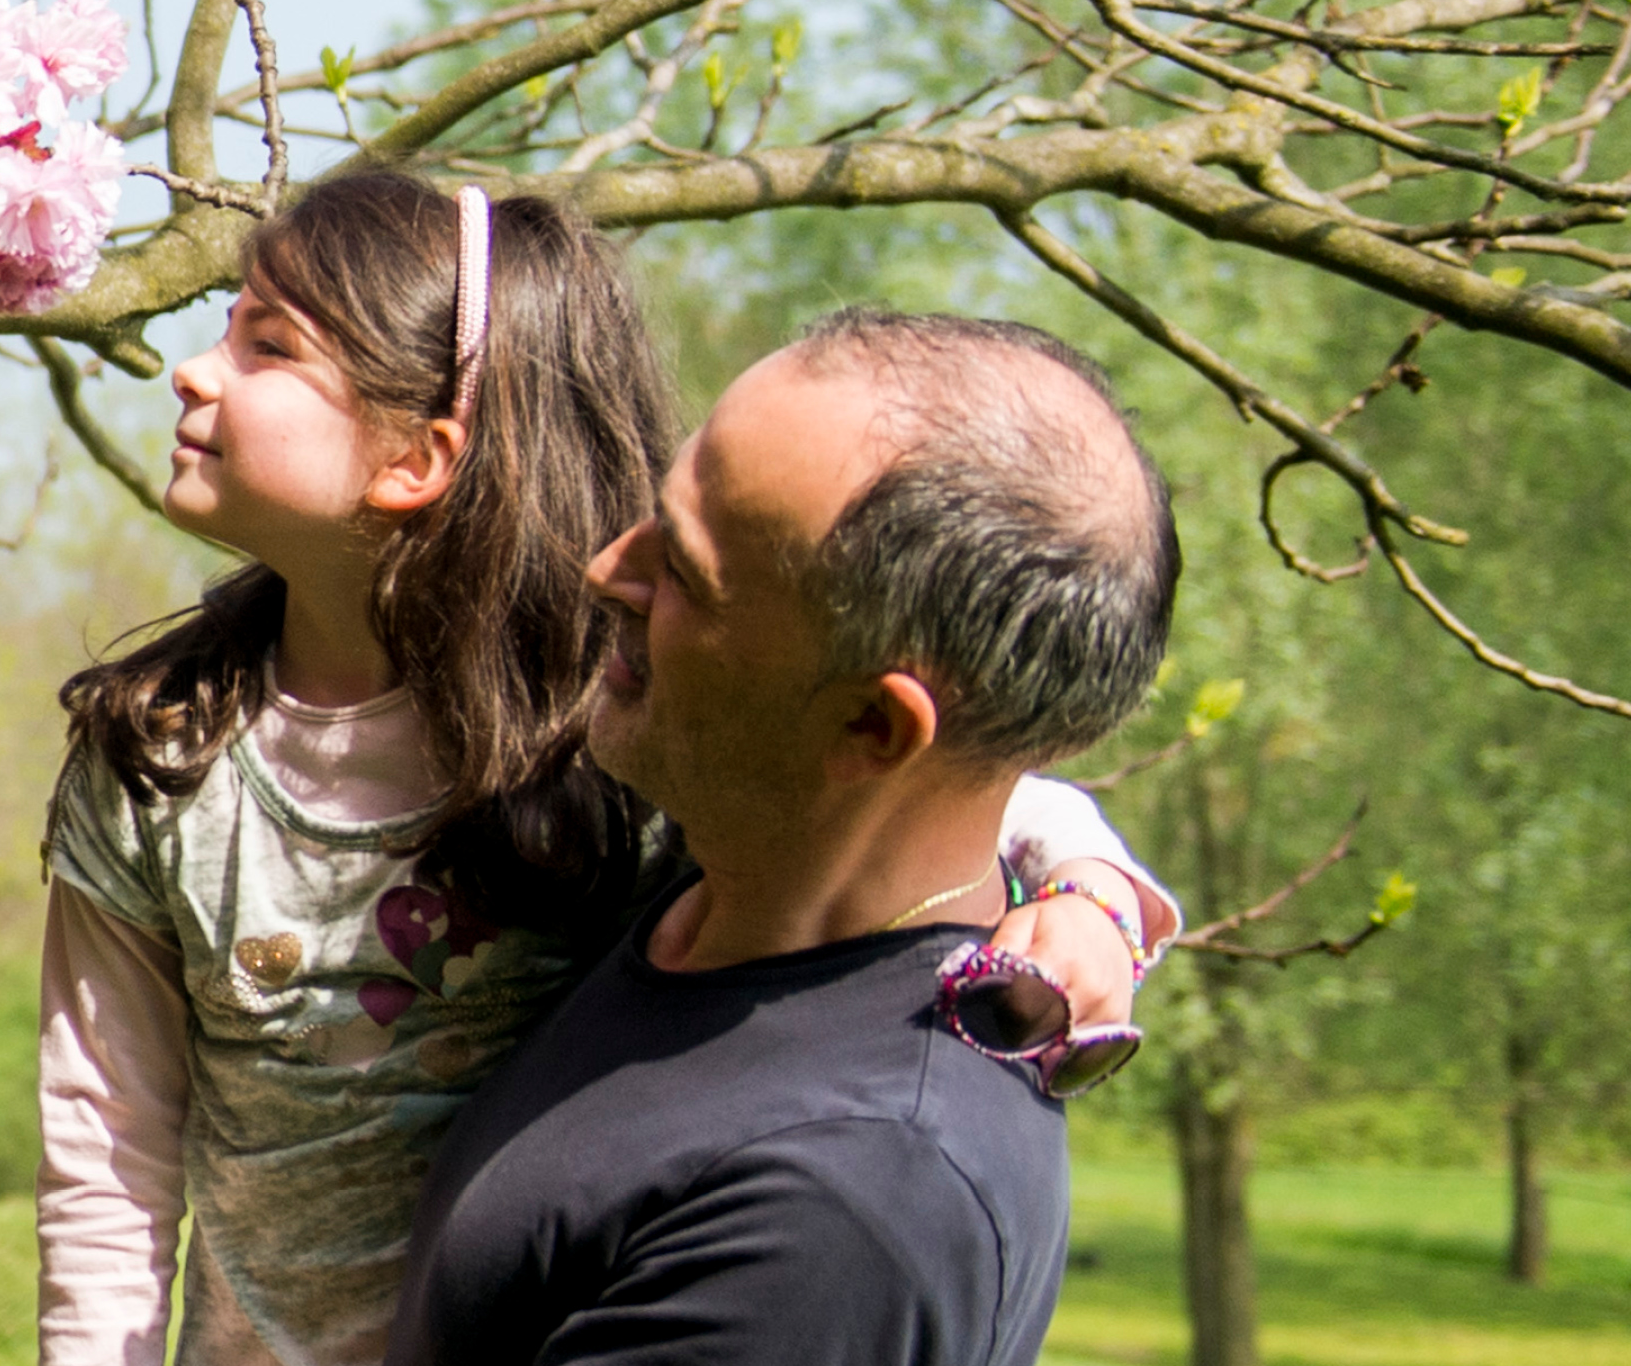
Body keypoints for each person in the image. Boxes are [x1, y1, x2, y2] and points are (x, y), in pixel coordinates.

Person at [35, 177, 1176, 1366]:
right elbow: (102, 1147)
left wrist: (1087, 892)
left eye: (269, 347)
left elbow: (960, 772)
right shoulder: (162, 758)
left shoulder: (603, 714)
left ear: (420, 456)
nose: (192, 370)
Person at [387, 308, 1182, 1366]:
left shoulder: (834, 1211)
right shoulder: (732, 878)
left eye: (686, 574)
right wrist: (1092, 883)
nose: (608, 568)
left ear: (868, 727)